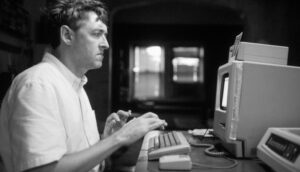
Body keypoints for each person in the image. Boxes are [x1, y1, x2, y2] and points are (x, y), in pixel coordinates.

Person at [0, 0, 167, 172]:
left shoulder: (74, 85)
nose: (106, 44)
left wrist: (105, 140)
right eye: (96, 34)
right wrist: (119, 137)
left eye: (105, 35)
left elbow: (76, 158)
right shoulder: (37, 85)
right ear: (67, 35)